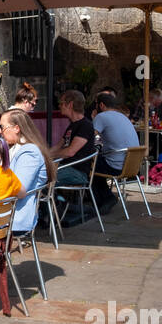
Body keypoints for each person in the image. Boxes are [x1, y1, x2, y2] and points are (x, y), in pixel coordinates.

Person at [0, 108, 55, 231]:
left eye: (2, 127)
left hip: (14, 217)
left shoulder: (29, 152)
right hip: (6, 211)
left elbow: (20, 188)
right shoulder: (18, 149)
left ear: (17, 128)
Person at [51, 90, 100, 225]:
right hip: (66, 168)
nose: (59, 106)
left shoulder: (85, 125)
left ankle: (65, 208)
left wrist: (49, 155)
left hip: (77, 172)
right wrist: (43, 154)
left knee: (44, 178)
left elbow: (70, 152)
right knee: (41, 175)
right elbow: (58, 147)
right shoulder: (72, 125)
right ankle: (56, 209)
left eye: (61, 103)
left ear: (70, 104)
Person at [92, 91, 140, 210]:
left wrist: (94, 119)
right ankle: (103, 198)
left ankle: (105, 199)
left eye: (96, 104)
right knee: (97, 162)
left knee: (88, 165)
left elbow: (89, 139)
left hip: (116, 166)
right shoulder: (123, 116)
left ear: (101, 105)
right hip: (132, 166)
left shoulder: (101, 116)